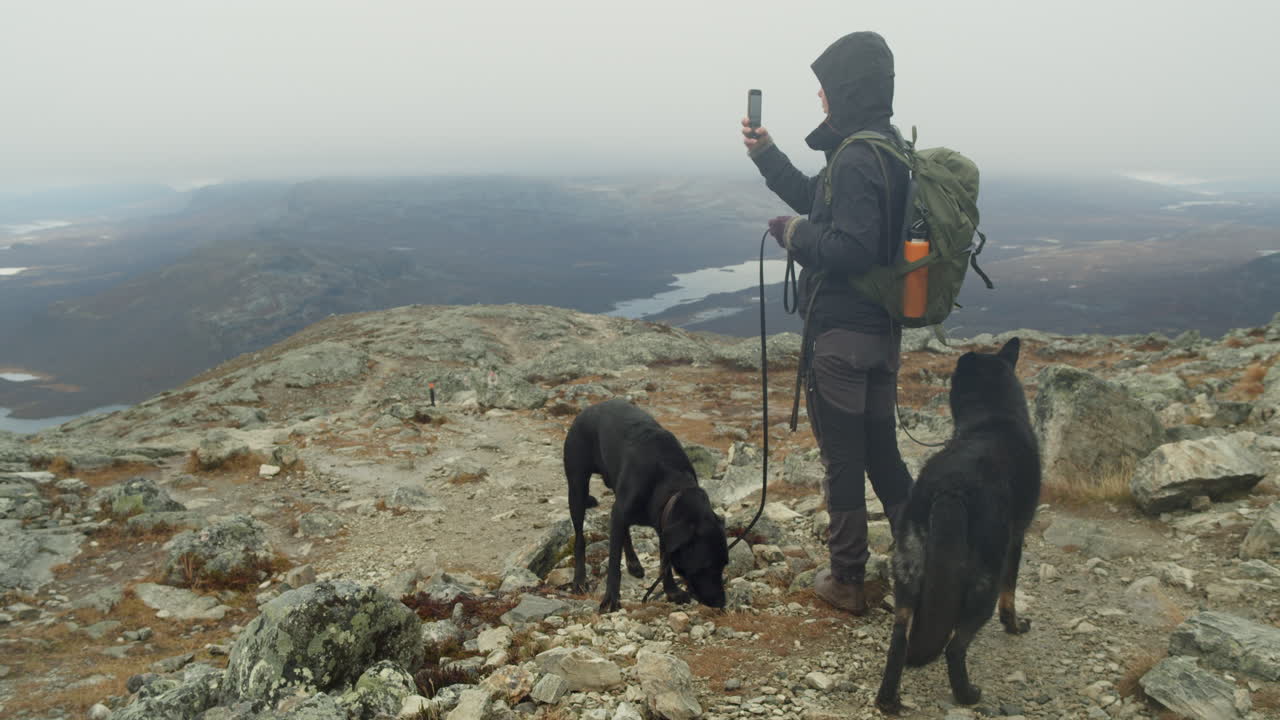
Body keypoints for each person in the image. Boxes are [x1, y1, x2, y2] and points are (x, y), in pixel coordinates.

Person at [742, 31, 914, 614]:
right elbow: (816, 197)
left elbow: (852, 247)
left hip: (841, 339)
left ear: (847, 89)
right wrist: (766, 153)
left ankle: (847, 580)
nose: (820, 97)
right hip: (881, 334)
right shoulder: (885, 149)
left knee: (843, 460)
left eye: (826, 87)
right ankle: (925, 563)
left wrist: (793, 234)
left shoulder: (858, 157)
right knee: (882, 453)